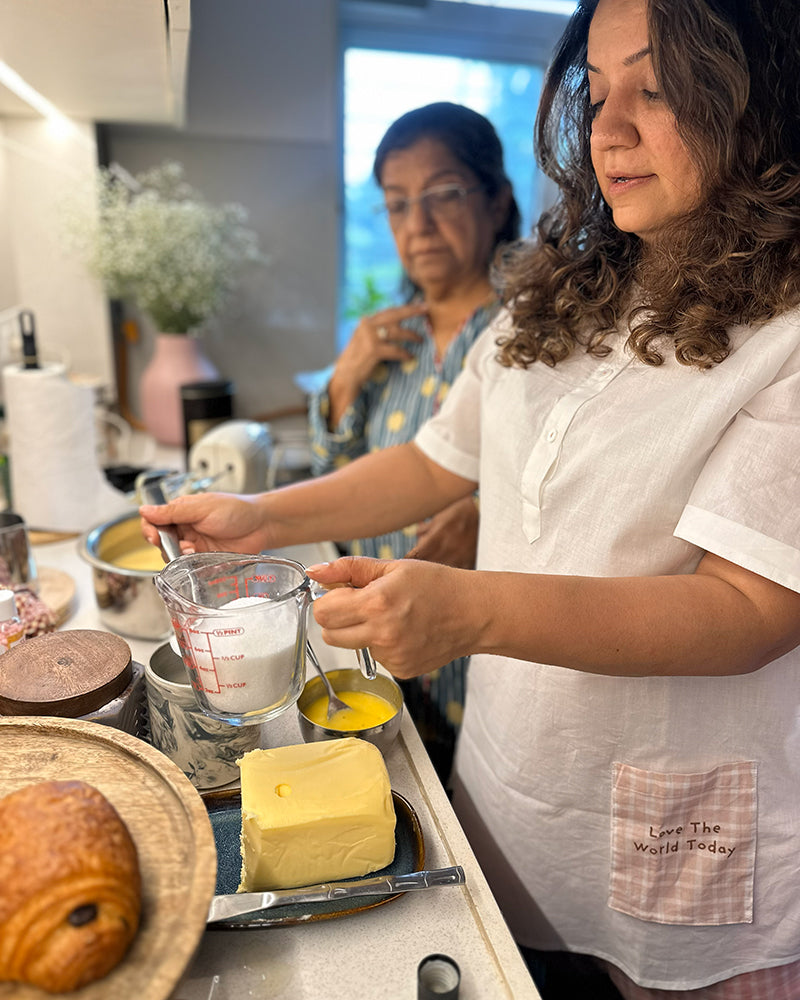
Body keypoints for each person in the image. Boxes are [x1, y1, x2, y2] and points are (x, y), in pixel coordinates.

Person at [142, 1, 800, 997]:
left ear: (759, 102)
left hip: (673, 817)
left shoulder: (784, 335)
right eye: (595, 93)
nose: (610, 129)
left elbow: (748, 609)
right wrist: (266, 518)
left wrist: (472, 610)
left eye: (657, 88)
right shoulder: (562, 288)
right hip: (511, 783)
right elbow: (435, 461)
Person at [307, 102, 521, 783]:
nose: (417, 225)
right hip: (376, 649)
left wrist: (486, 512)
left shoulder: (539, 331)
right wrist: (346, 378)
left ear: (496, 200)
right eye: (397, 204)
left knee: (461, 807)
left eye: (443, 194)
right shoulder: (388, 339)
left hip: (479, 659)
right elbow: (333, 476)